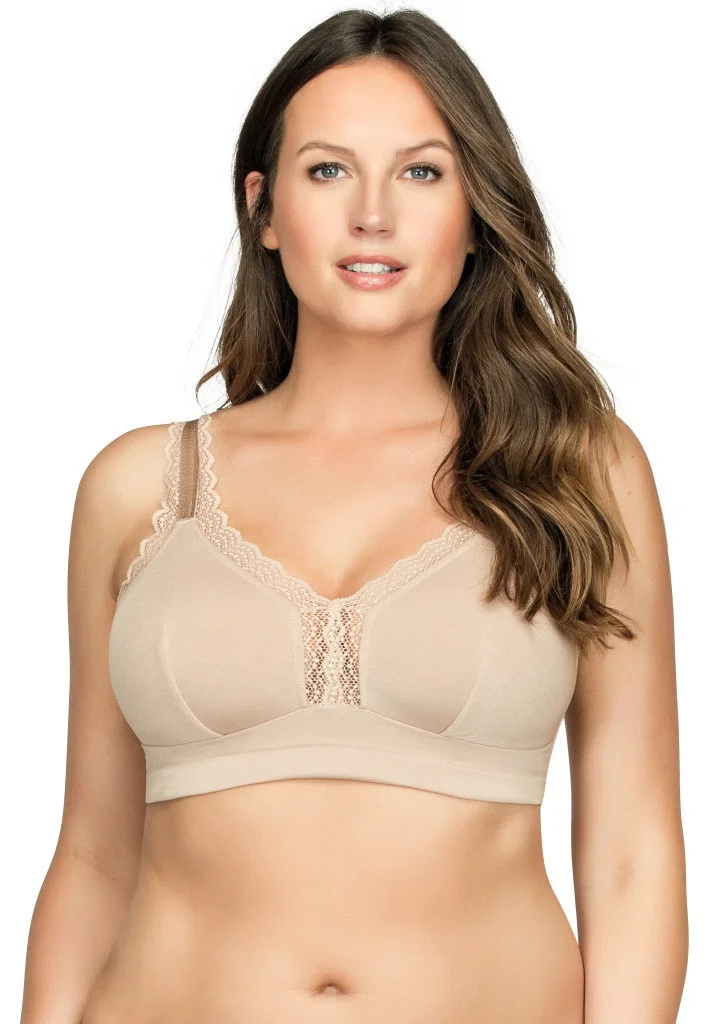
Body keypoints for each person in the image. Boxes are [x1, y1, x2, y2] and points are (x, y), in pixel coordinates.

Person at [20, 8, 688, 1024]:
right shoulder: (136, 488)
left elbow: (633, 855)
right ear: (264, 207)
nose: (372, 214)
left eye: (421, 172)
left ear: (475, 210)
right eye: (328, 170)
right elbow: (92, 856)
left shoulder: (575, 470)